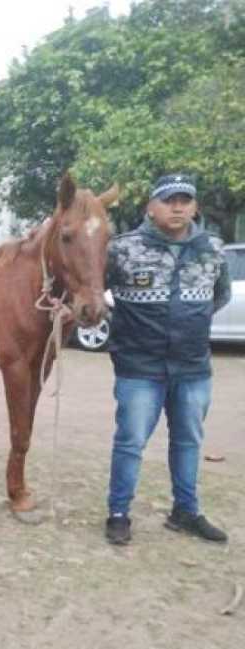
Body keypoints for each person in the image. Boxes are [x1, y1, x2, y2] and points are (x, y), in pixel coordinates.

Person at [104, 173, 231, 546]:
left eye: (185, 200)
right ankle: (118, 513)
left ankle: (186, 512)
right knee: (130, 441)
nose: (177, 207)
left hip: (192, 368)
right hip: (139, 367)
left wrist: (187, 321)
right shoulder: (122, 249)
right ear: (150, 206)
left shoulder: (213, 248)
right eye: (168, 200)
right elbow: (93, 289)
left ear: (195, 207)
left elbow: (218, 297)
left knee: (189, 440)